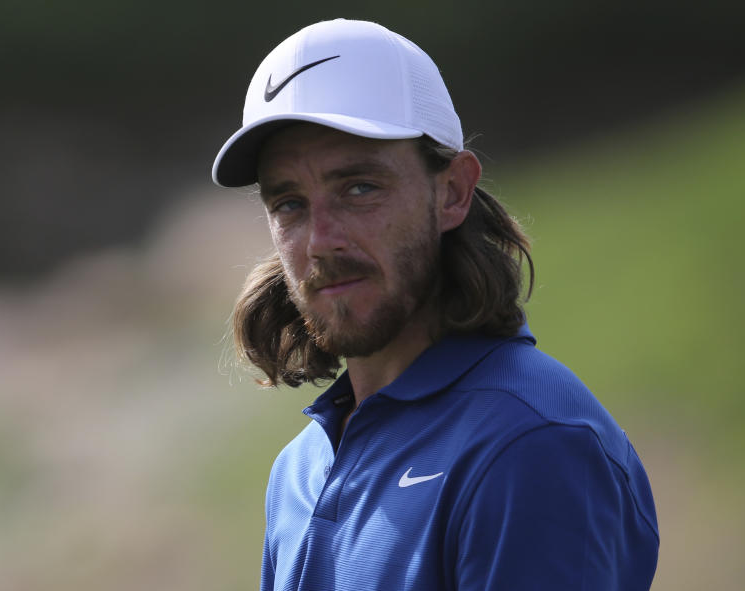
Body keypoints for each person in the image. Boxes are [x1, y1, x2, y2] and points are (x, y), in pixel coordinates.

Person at [211, 18, 659, 591]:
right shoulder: (299, 469)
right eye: (290, 204)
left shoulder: (532, 444)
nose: (321, 240)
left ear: (452, 192)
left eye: (359, 188)